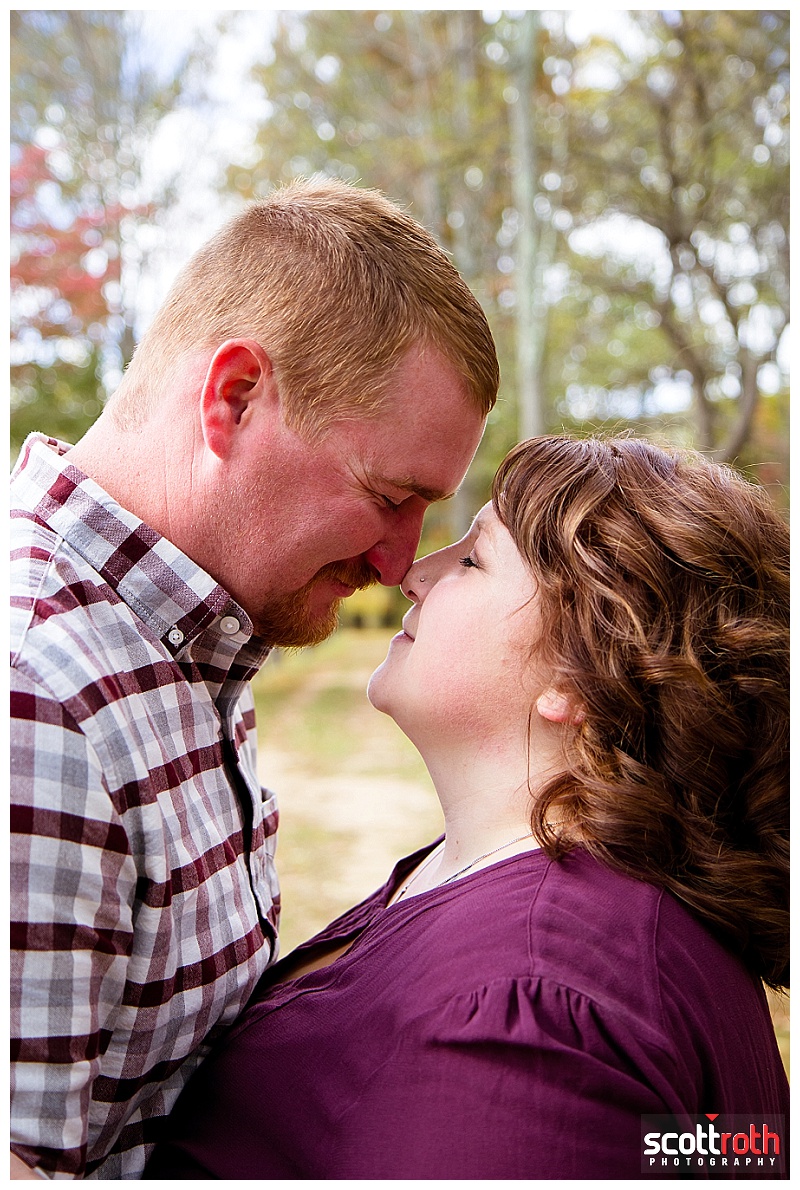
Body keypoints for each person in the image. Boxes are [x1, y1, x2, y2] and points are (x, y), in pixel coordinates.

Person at [10, 177, 498, 1180]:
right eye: (386, 495)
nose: (400, 561)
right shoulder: (38, 699)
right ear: (233, 396)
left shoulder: (185, 640)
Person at [146, 435, 789, 1181]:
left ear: (583, 674)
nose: (415, 574)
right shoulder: (551, 898)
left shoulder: (536, 1010)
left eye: (473, 558)